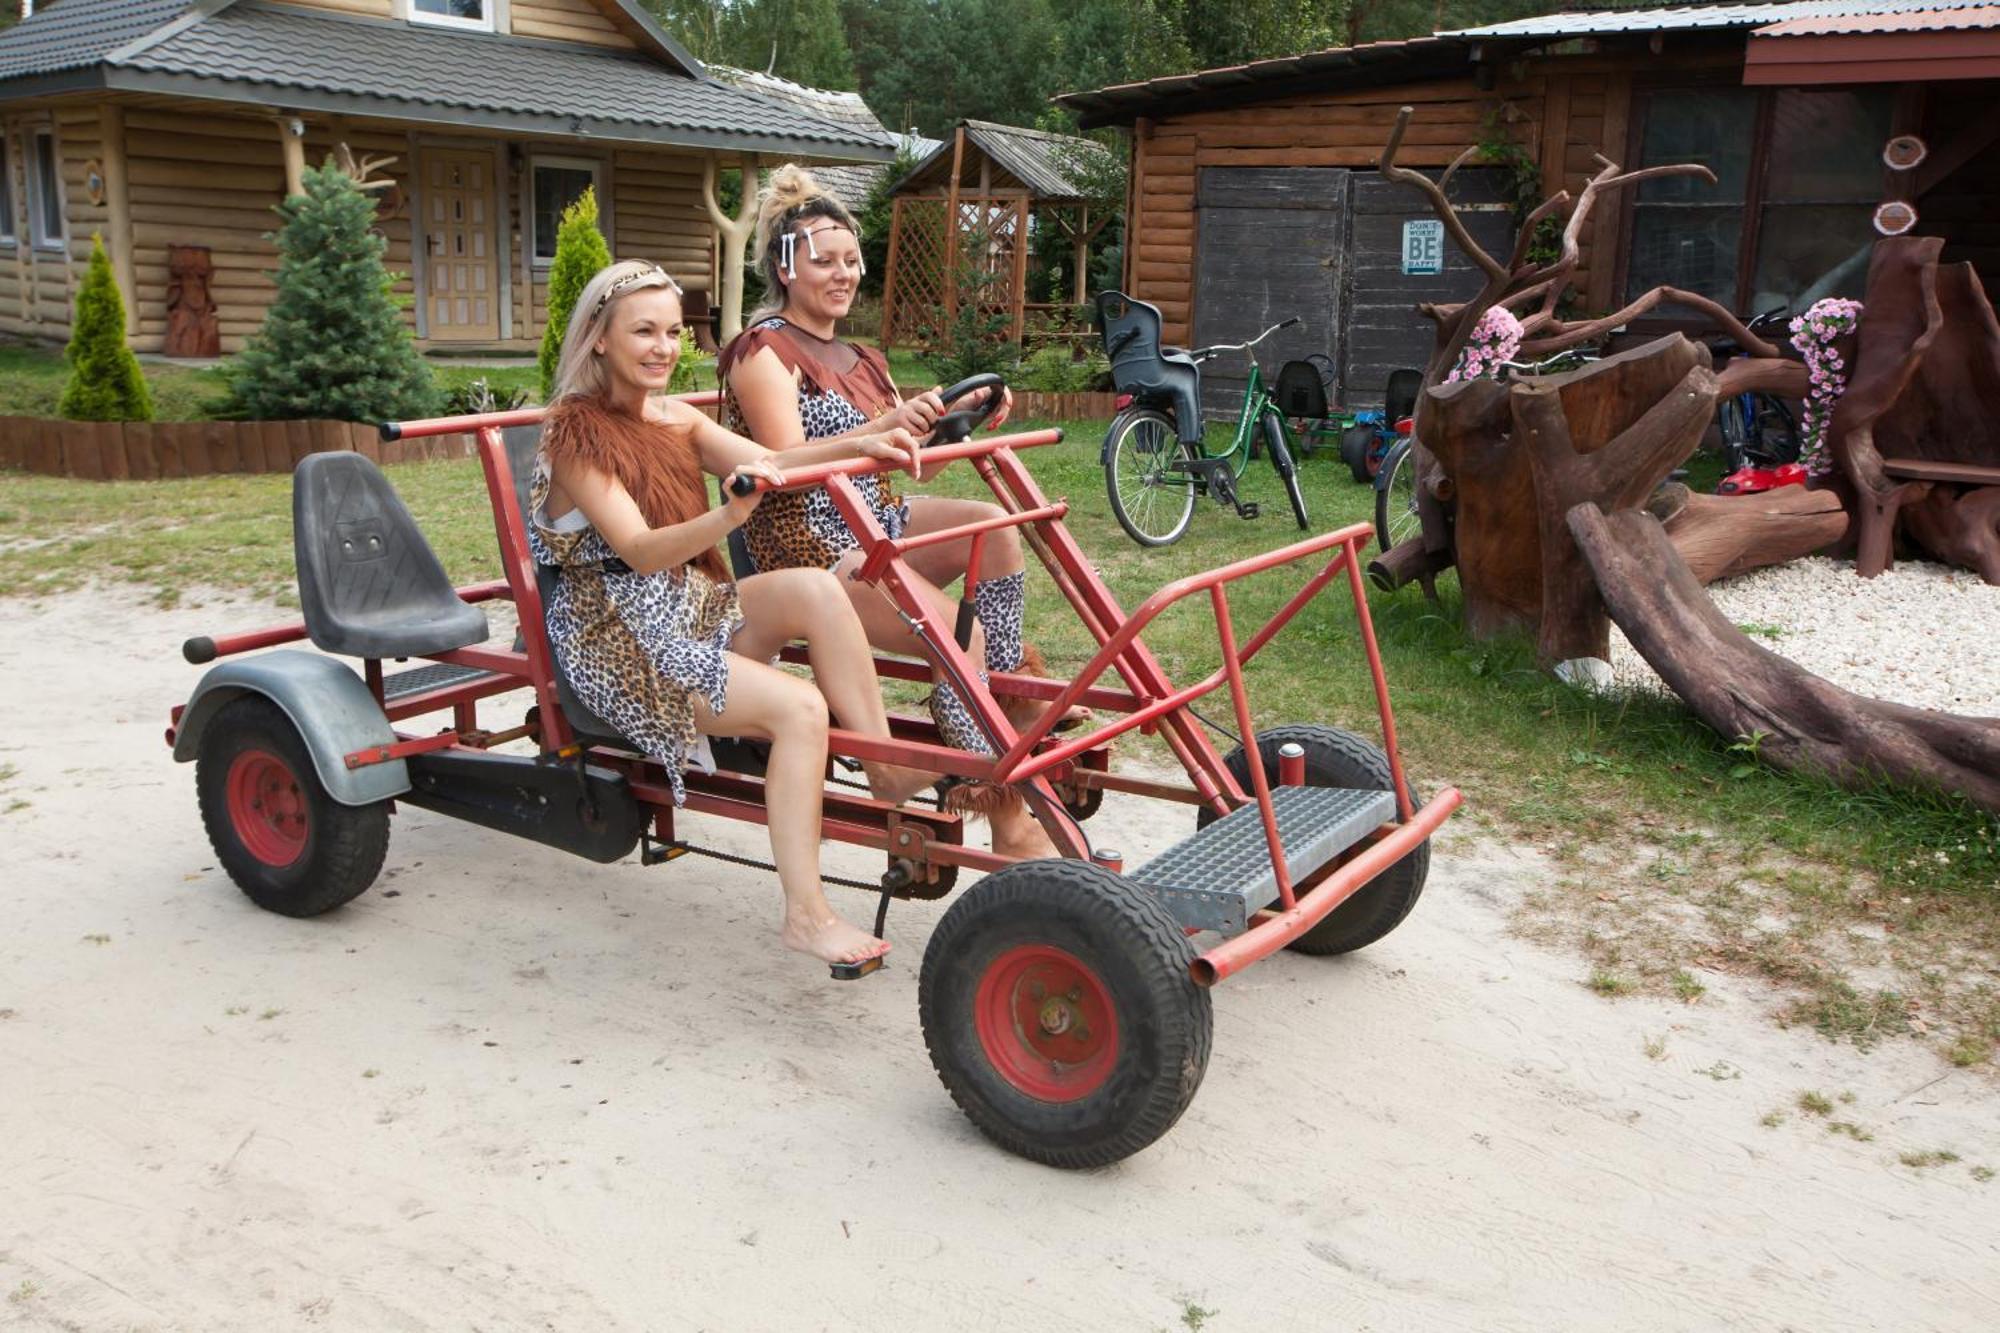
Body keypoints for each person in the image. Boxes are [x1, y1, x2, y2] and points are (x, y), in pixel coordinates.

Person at [534, 258, 928, 970]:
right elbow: (642, 550)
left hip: (690, 606)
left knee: (813, 585)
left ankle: (885, 771)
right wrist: (729, 512)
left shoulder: (673, 416)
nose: (661, 347)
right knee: (800, 708)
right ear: (598, 338)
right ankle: (807, 916)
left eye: (673, 332)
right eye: (643, 331)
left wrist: (862, 444)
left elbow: (777, 457)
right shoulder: (576, 437)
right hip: (623, 641)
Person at [719, 166, 1081, 860]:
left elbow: (898, 465)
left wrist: (948, 430)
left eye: (852, 260)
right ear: (785, 268)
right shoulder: (763, 353)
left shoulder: (862, 356)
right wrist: (882, 428)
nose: (844, 273)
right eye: (825, 261)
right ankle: (1004, 807)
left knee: (994, 534)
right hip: (808, 550)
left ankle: (997, 702)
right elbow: (783, 463)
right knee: (955, 633)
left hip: (874, 522)